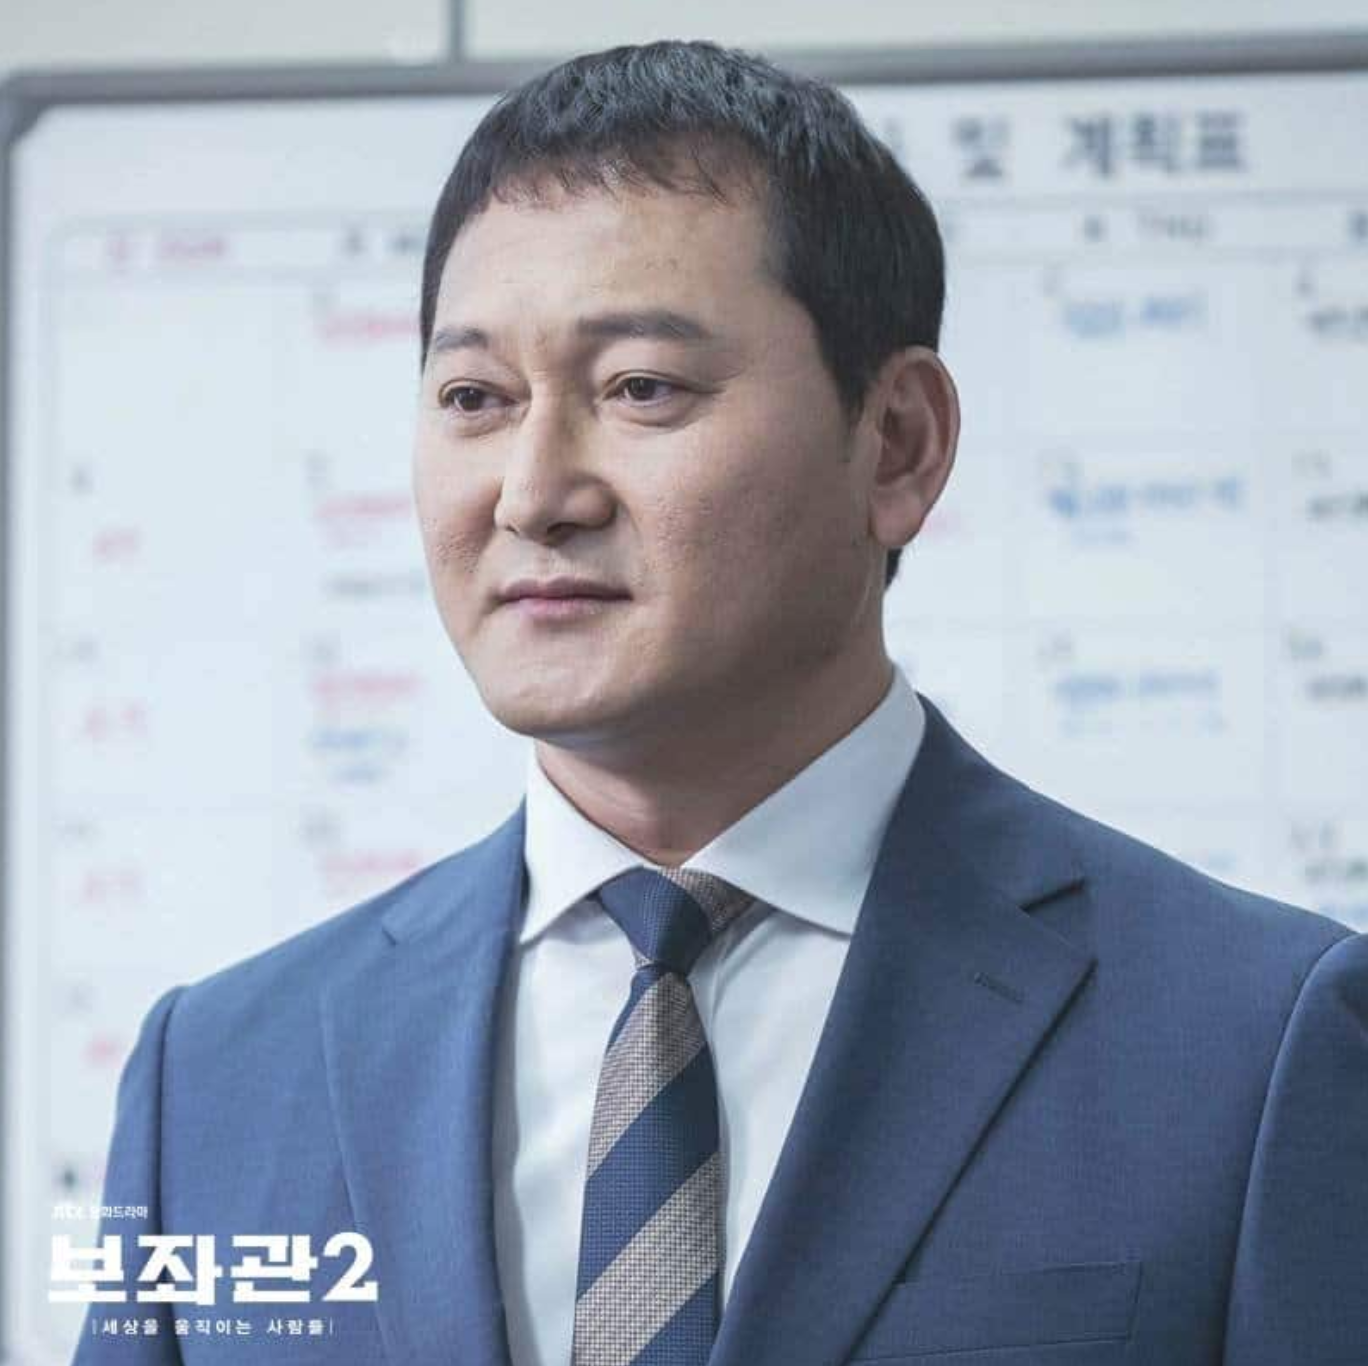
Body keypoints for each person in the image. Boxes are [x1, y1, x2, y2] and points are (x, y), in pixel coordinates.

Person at [76, 39, 1366, 1366]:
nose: (533, 494)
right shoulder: (216, 1078)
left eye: (642, 388)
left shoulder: (1254, 1041)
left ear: (899, 443)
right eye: (475, 397)